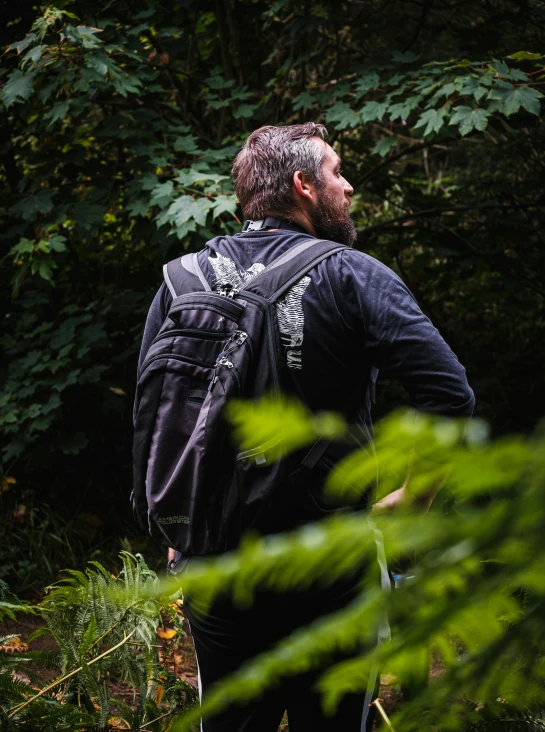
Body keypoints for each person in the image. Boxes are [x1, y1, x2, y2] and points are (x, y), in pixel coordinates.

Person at [136, 123, 475, 731]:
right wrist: (415, 496)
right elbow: (449, 393)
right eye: (338, 172)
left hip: (217, 564)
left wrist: (179, 519)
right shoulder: (352, 273)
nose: (347, 186)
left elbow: (157, 414)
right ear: (304, 186)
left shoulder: (180, 280)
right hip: (330, 568)